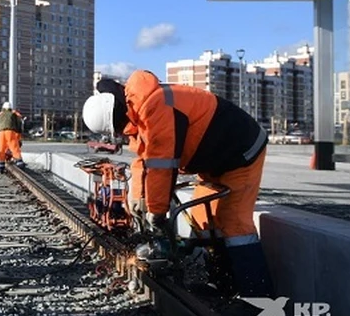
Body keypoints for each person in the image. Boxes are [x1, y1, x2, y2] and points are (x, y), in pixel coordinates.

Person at [82, 70, 274, 298]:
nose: (122, 132)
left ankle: (257, 298)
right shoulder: (138, 112)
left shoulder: (156, 106)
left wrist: (156, 211)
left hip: (241, 154)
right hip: (213, 163)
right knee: (203, 221)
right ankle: (226, 285)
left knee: (235, 225)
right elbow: (143, 160)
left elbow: (162, 166)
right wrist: (136, 197)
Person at [0, 101, 25, 172]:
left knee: (1, 149)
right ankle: (19, 163)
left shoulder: (0, 114)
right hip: (10, 132)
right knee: (14, 147)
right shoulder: (14, 114)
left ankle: (0, 165)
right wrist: (19, 133)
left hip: (1, 132)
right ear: (11, 108)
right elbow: (18, 124)